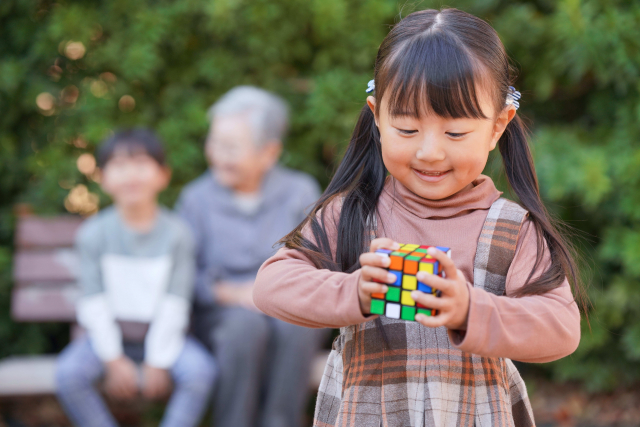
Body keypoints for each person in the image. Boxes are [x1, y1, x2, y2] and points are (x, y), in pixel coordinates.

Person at [254, 8, 584, 427]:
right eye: (407, 130)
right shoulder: (351, 214)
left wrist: (471, 310)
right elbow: (271, 284)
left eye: (455, 133)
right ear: (377, 116)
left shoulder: (511, 230)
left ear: (499, 125)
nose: (429, 151)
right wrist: (354, 291)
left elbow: (560, 327)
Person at [177, 86, 327, 427]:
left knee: (296, 324)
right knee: (244, 326)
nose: (218, 155)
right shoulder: (195, 199)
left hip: (284, 305)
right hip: (220, 316)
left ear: (269, 152)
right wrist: (232, 294)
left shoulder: (299, 191)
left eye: (230, 147)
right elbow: (186, 276)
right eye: (214, 143)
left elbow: (317, 262)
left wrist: (273, 293)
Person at [56, 129, 216, 427]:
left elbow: (175, 302)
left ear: (163, 175)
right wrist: (113, 359)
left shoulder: (177, 234)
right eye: (119, 165)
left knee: (200, 372)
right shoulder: (94, 234)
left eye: (141, 164)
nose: (131, 175)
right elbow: (93, 302)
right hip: (105, 339)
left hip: (163, 338)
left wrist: (157, 359)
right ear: (103, 177)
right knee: (68, 374)